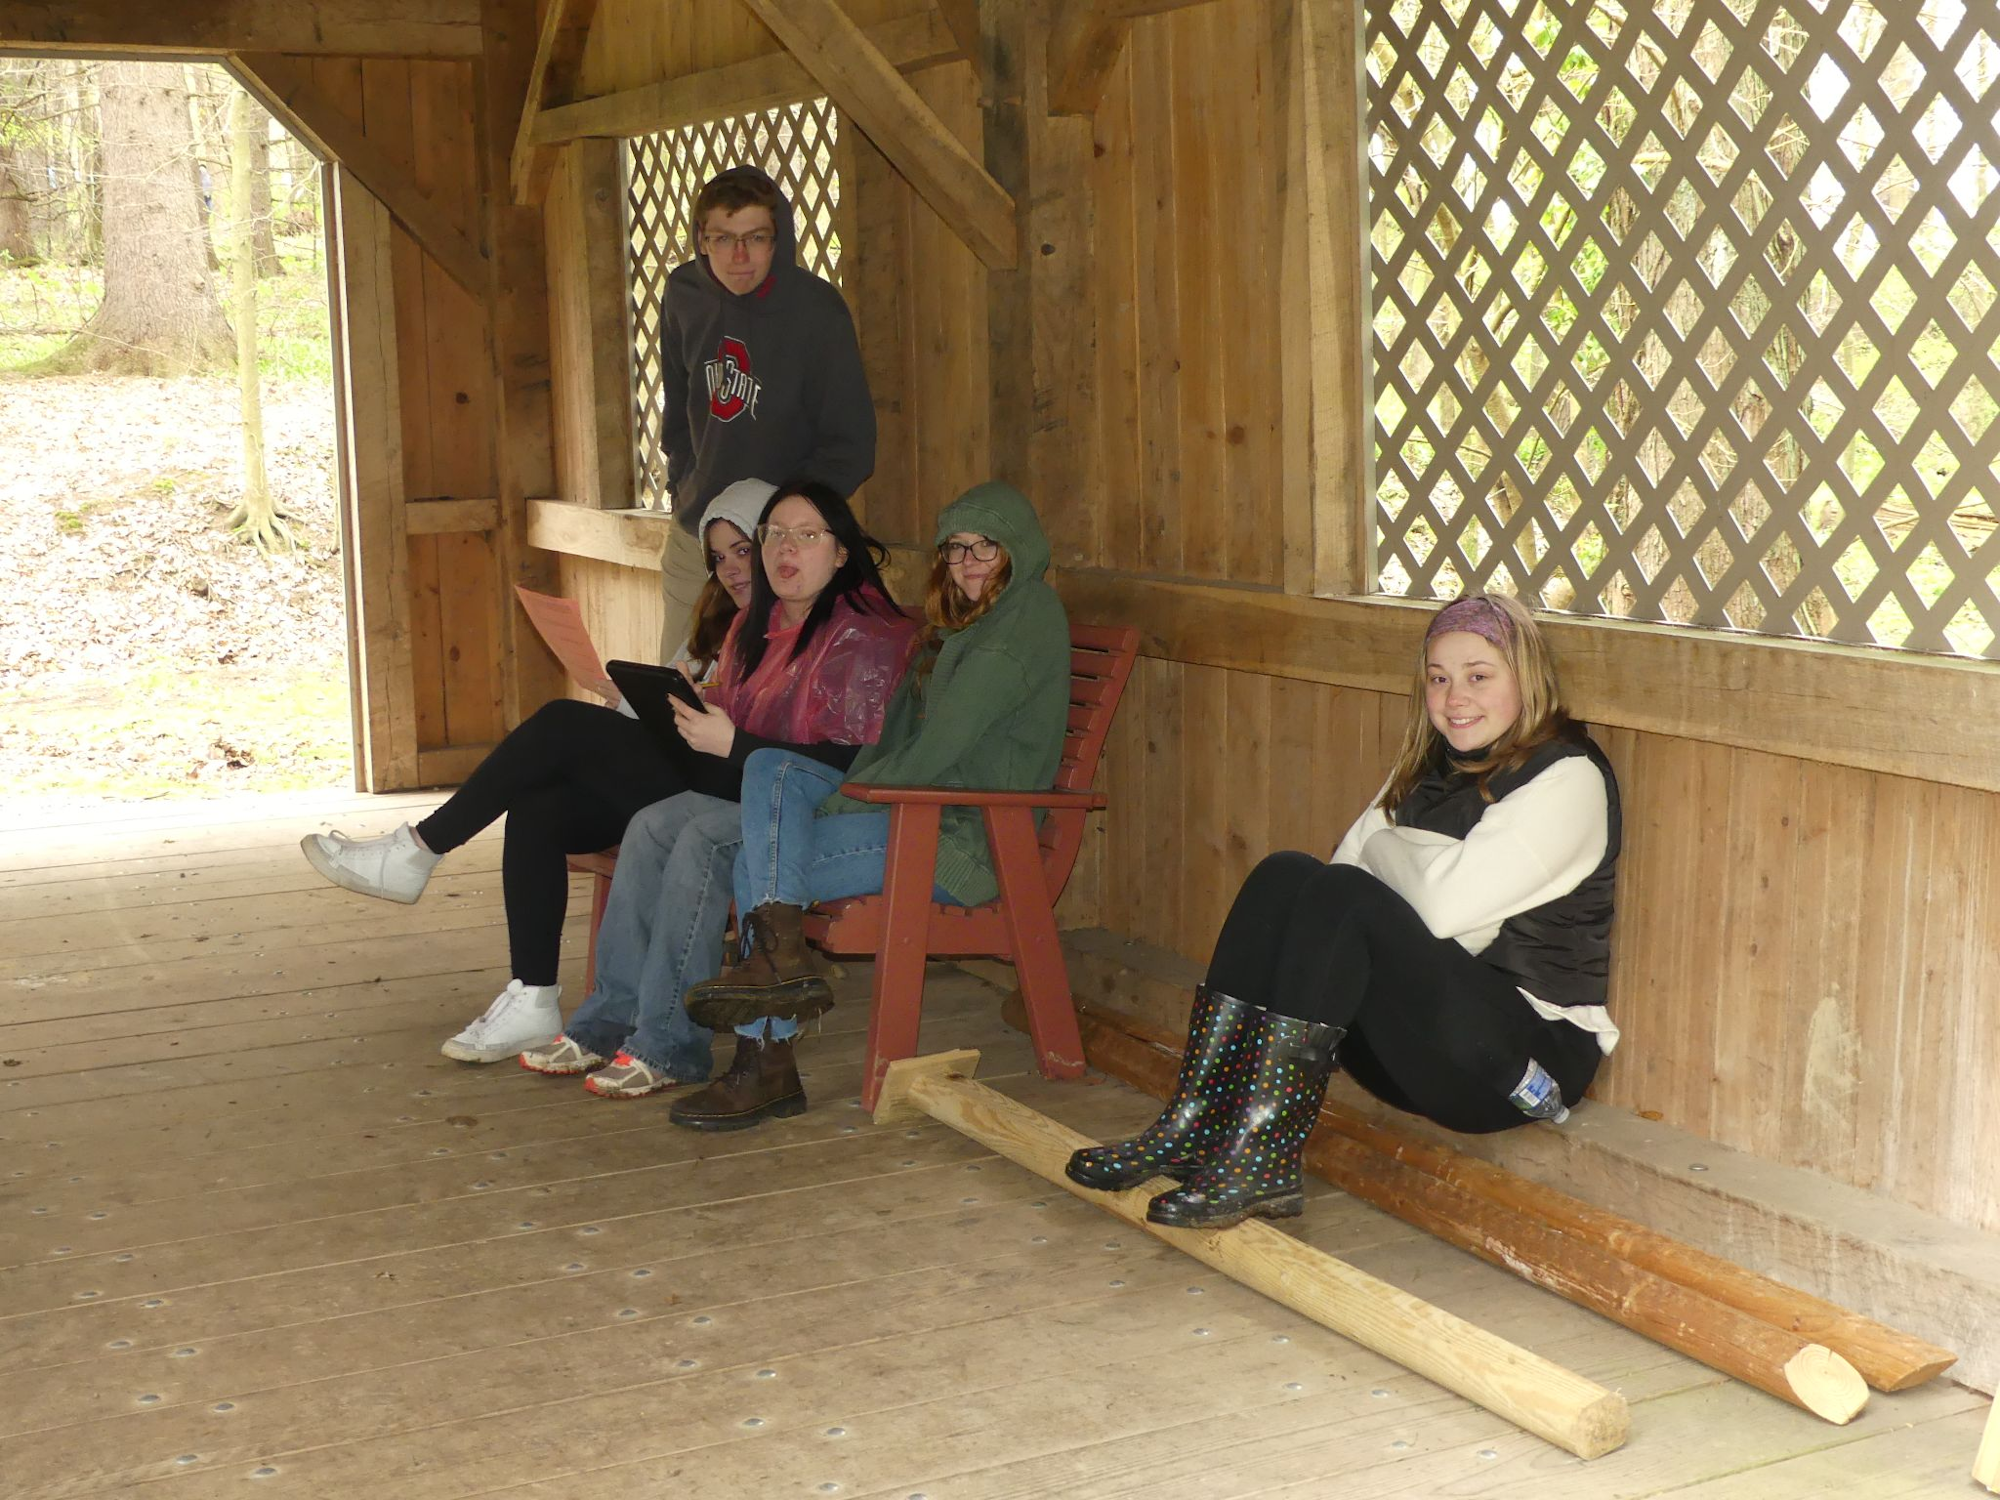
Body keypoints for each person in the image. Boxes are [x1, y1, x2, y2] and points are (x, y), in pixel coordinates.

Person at [1065, 592, 1621, 1230]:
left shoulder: (1566, 776)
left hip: (1516, 1062)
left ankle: (1266, 1158)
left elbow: (1432, 907)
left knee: (1343, 898)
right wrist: (1408, 862)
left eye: (1478, 676)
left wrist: (1391, 849)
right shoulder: (1429, 765)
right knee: (1286, 876)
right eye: (1438, 679)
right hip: (1418, 1048)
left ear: (1526, 679)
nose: (1455, 697)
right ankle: (1195, 1123)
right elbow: (1344, 872)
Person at [299, 482, 770, 1064]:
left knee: (559, 723)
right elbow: (680, 702)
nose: (729, 568)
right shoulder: (722, 624)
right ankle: (533, 996)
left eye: (743, 550)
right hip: (683, 775)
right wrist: (626, 700)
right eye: (719, 556)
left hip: (728, 793)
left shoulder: (791, 627)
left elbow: (767, 730)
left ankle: (419, 849)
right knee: (539, 806)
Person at [670, 481, 1073, 1132]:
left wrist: (838, 804)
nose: (968, 563)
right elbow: (894, 739)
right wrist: (835, 794)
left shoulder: (1016, 627)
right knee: (771, 775)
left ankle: (765, 1061)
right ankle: (779, 972)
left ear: (1017, 550)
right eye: (955, 550)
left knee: (760, 863)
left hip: (963, 840)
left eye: (985, 549)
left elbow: (936, 751)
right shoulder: (965, 623)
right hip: (916, 816)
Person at [516, 481, 917, 1096]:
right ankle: (606, 1021)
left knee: (703, 838)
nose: (786, 548)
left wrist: (733, 745)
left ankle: (671, 1044)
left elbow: (846, 760)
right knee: (651, 823)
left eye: (807, 535)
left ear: (841, 554)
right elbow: (745, 724)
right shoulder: (759, 624)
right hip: (752, 787)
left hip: (824, 806)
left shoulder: (865, 632)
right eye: (774, 534)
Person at [656, 165, 876, 666]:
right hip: (697, 535)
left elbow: (851, 446)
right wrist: (684, 487)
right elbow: (678, 407)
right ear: (700, 239)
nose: (739, 257)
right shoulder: (683, 295)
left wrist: (781, 522)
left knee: (766, 694)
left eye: (755, 238)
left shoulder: (817, 311)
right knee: (675, 689)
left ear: (778, 239)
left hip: (779, 546)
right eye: (723, 238)